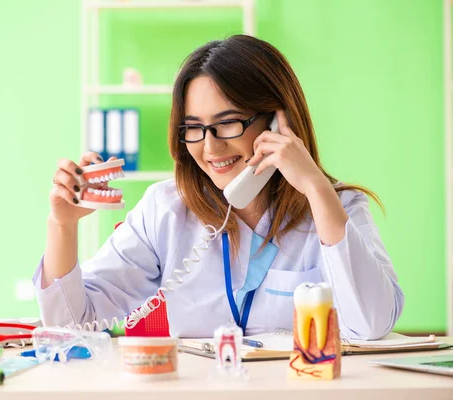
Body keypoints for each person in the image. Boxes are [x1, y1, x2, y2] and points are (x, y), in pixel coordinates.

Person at [32, 35, 404, 339]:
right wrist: (62, 226)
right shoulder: (165, 209)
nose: (210, 148)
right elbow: (70, 326)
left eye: (228, 124)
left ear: (278, 122)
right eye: (194, 128)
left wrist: (315, 187)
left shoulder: (339, 207)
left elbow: (371, 324)